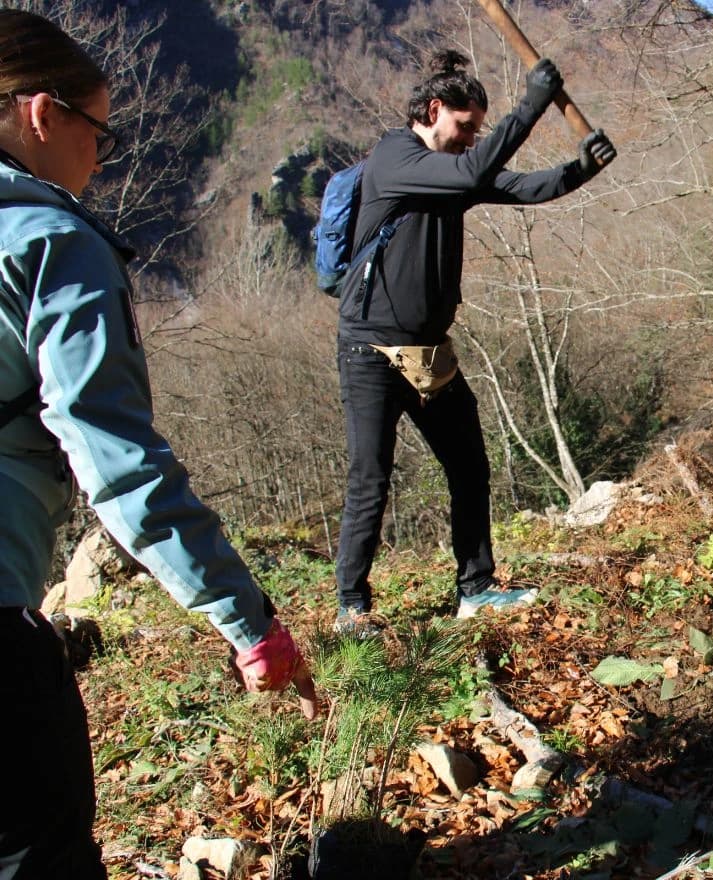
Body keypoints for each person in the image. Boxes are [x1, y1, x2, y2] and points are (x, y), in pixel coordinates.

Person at [0, 11, 318, 879]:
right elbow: (115, 460)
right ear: (43, 114)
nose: (101, 158)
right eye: (97, 132)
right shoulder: (49, 243)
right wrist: (247, 622)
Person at [333, 50, 616, 629]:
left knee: (468, 465)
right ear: (434, 109)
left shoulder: (452, 170)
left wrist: (581, 169)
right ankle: (352, 607)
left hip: (427, 351)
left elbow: (524, 187)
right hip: (371, 350)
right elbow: (472, 172)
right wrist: (531, 105)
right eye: (465, 127)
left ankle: (476, 588)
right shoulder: (395, 158)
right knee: (371, 478)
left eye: (475, 132)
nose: (470, 140)